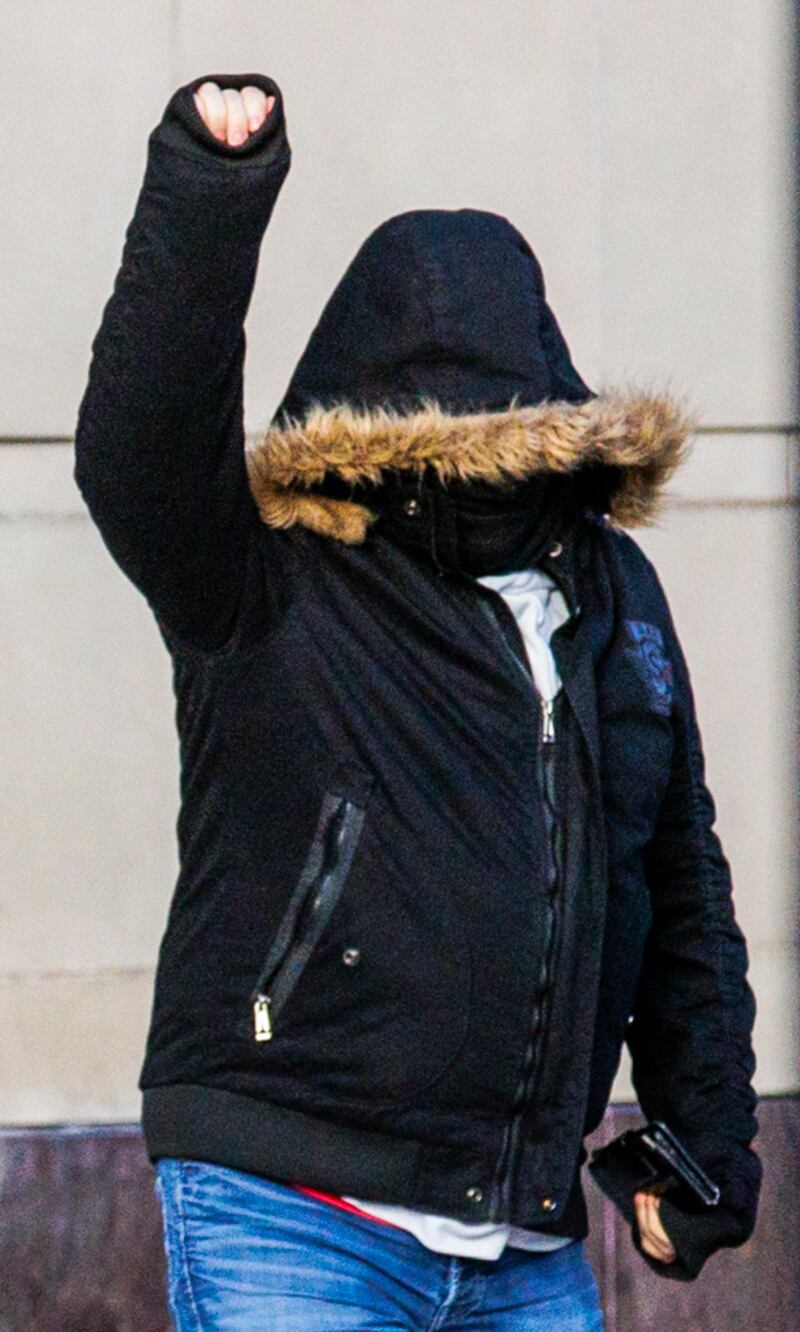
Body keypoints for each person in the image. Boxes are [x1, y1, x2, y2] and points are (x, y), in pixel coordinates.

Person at [74, 71, 761, 1330]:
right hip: (288, 1207)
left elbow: (672, 875)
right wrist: (208, 193)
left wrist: (699, 1142)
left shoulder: (611, 594)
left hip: (523, 1240)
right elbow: (138, 455)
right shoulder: (278, 573)